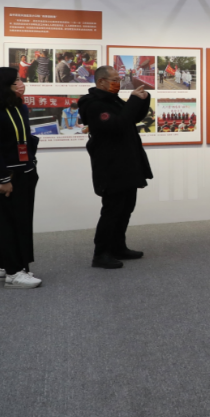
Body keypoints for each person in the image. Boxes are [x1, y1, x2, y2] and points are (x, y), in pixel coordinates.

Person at [78, 65, 153, 269]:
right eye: (114, 80)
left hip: (127, 162)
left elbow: (132, 118)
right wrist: (133, 101)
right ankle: (101, 254)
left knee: (126, 207)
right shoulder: (94, 104)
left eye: (119, 79)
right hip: (111, 166)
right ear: (101, 81)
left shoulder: (113, 100)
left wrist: (143, 100)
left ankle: (118, 247)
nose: (118, 83)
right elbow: (117, 125)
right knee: (112, 210)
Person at [0, 67, 42, 289]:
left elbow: (24, 138)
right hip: (7, 175)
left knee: (22, 221)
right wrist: (3, 179)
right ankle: (13, 273)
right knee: (10, 222)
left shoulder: (20, 107)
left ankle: (7, 266)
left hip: (26, 172)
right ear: (4, 85)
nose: (21, 84)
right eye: (16, 81)